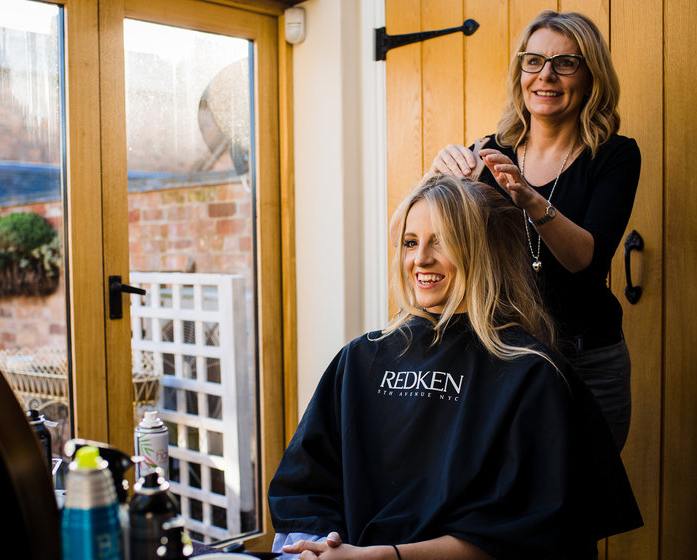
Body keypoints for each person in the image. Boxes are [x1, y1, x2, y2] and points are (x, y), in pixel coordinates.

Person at [269, 175, 641, 560]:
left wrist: (381, 557)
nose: (420, 259)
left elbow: (528, 532)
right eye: (411, 242)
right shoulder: (360, 358)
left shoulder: (533, 375)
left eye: (441, 241)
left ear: (484, 251)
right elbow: (305, 484)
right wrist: (320, 547)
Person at [428, 11, 640, 451]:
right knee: (509, 503)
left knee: (582, 503)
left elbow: (588, 259)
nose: (546, 75)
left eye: (565, 62)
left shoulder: (614, 156)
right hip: (504, 356)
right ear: (520, 72)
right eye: (533, 61)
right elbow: (404, 237)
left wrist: (529, 198)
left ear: (589, 76)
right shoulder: (488, 153)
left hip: (589, 361)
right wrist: (431, 180)